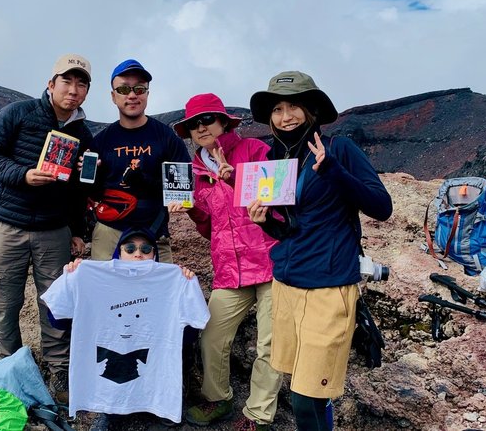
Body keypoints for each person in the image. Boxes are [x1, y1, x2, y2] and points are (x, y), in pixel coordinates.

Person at [246, 71, 393, 430]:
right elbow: (292, 231)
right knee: (299, 383)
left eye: (294, 105)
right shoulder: (276, 162)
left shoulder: (341, 149)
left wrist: (332, 170)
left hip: (328, 288)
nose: (286, 116)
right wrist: (265, 222)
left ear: (311, 109)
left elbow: (382, 207)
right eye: (278, 108)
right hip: (287, 284)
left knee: (307, 395)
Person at [0, 53, 94, 405]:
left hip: (53, 230)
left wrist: (77, 231)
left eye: (81, 84)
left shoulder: (83, 134)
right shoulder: (18, 113)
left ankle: (59, 372)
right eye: (67, 81)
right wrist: (24, 175)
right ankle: (10, 369)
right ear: (51, 83)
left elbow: (79, 189)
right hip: (7, 225)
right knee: (4, 302)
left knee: (55, 304)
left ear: (87, 91)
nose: (73, 90)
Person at [168, 93, 282, 431]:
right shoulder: (194, 173)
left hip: (271, 261)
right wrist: (188, 208)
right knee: (212, 337)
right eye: (193, 124)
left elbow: (278, 204)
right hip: (231, 270)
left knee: (270, 342)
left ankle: (257, 415)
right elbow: (209, 226)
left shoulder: (256, 152)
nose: (201, 127)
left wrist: (234, 179)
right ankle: (219, 398)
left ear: (223, 122)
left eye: (207, 120)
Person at [51, 228, 206, 430]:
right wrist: (73, 280)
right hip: (110, 364)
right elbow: (57, 320)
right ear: (119, 253)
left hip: (150, 362)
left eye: (146, 248)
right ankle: (108, 410)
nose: (138, 254)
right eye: (130, 248)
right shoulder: (91, 276)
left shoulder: (173, 281)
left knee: (164, 357)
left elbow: (193, 330)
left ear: (154, 254)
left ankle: (162, 402)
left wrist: (185, 285)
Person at [89, 59, 191, 262]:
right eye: (124, 89)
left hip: (153, 231)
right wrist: (87, 174)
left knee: (159, 293)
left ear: (147, 94)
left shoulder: (167, 137)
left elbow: (182, 191)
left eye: (139, 89)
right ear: (113, 96)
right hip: (110, 231)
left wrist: (180, 200)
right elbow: (89, 192)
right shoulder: (100, 141)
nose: (132, 95)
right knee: (106, 292)